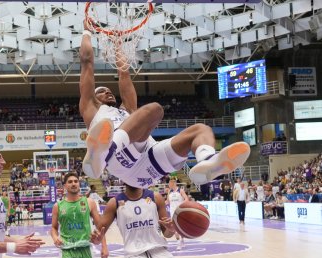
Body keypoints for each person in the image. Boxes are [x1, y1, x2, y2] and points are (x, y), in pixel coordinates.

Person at [79, 20, 250, 188]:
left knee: (201, 129)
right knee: (154, 110)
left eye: (109, 90)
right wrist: (87, 33)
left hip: (148, 165)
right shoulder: (91, 108)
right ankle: (105, 152)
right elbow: (86, 62)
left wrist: (118, 46)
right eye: (101, 91)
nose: (107, 91)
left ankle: (207, 160)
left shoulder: (126, 111)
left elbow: (124, 73)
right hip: (119, 160)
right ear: (93, 97)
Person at [91, 183, 184, 258]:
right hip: (135, 257)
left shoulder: (156, 197)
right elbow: (98, 234)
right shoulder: (114, 203)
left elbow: (167, 234)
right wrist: (96, 240)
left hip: (160, 252)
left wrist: (171, 230)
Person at [51, 172, 108, 258]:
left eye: (76, 181)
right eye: (70, 182)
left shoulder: (89, 202)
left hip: (85, 248)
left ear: (79, 184)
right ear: (65, 186)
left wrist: (104, 246)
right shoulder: (57, 206)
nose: (73, 183)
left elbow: (100, 226)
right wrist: (55, 237)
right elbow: (54, 228)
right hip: (67, 251)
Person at [165, 177, 188, 251]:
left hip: (180, 211)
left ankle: (182, 240)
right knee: (175, 228)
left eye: (170, 183)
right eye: (169, 183)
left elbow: (186, 199)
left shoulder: (180, 190)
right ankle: (178, 243)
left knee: (181, 228)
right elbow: (167, 202)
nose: (169, 184)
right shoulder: (169, 192)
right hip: (172, 212)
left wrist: (181, 205)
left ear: (174, 183)